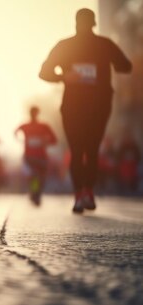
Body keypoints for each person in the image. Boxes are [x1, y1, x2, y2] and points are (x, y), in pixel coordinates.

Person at [39, 8, 132, 213]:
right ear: (94, 23)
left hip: (73, 106)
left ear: (75, 23)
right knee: (91, 149)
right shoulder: (104, 44)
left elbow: (44, 72)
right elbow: (125, 66)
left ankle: (80, 194)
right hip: (99, 106)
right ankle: (87, 191)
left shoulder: (65, 46)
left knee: (77, 150)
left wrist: (64, 77)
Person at [15, 106, 57, 206]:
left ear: (37, 113)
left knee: (41, 176)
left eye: (35, 113)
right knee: (33, 175)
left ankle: (36, 192)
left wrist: (45, 142)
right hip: (29, 156)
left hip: (41, 156)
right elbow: (15, 132)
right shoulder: (25, 126)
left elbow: (54, 140)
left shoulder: (44, 126)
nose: (33, 115)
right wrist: (20, 140)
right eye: (32, 113)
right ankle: (35, 193)